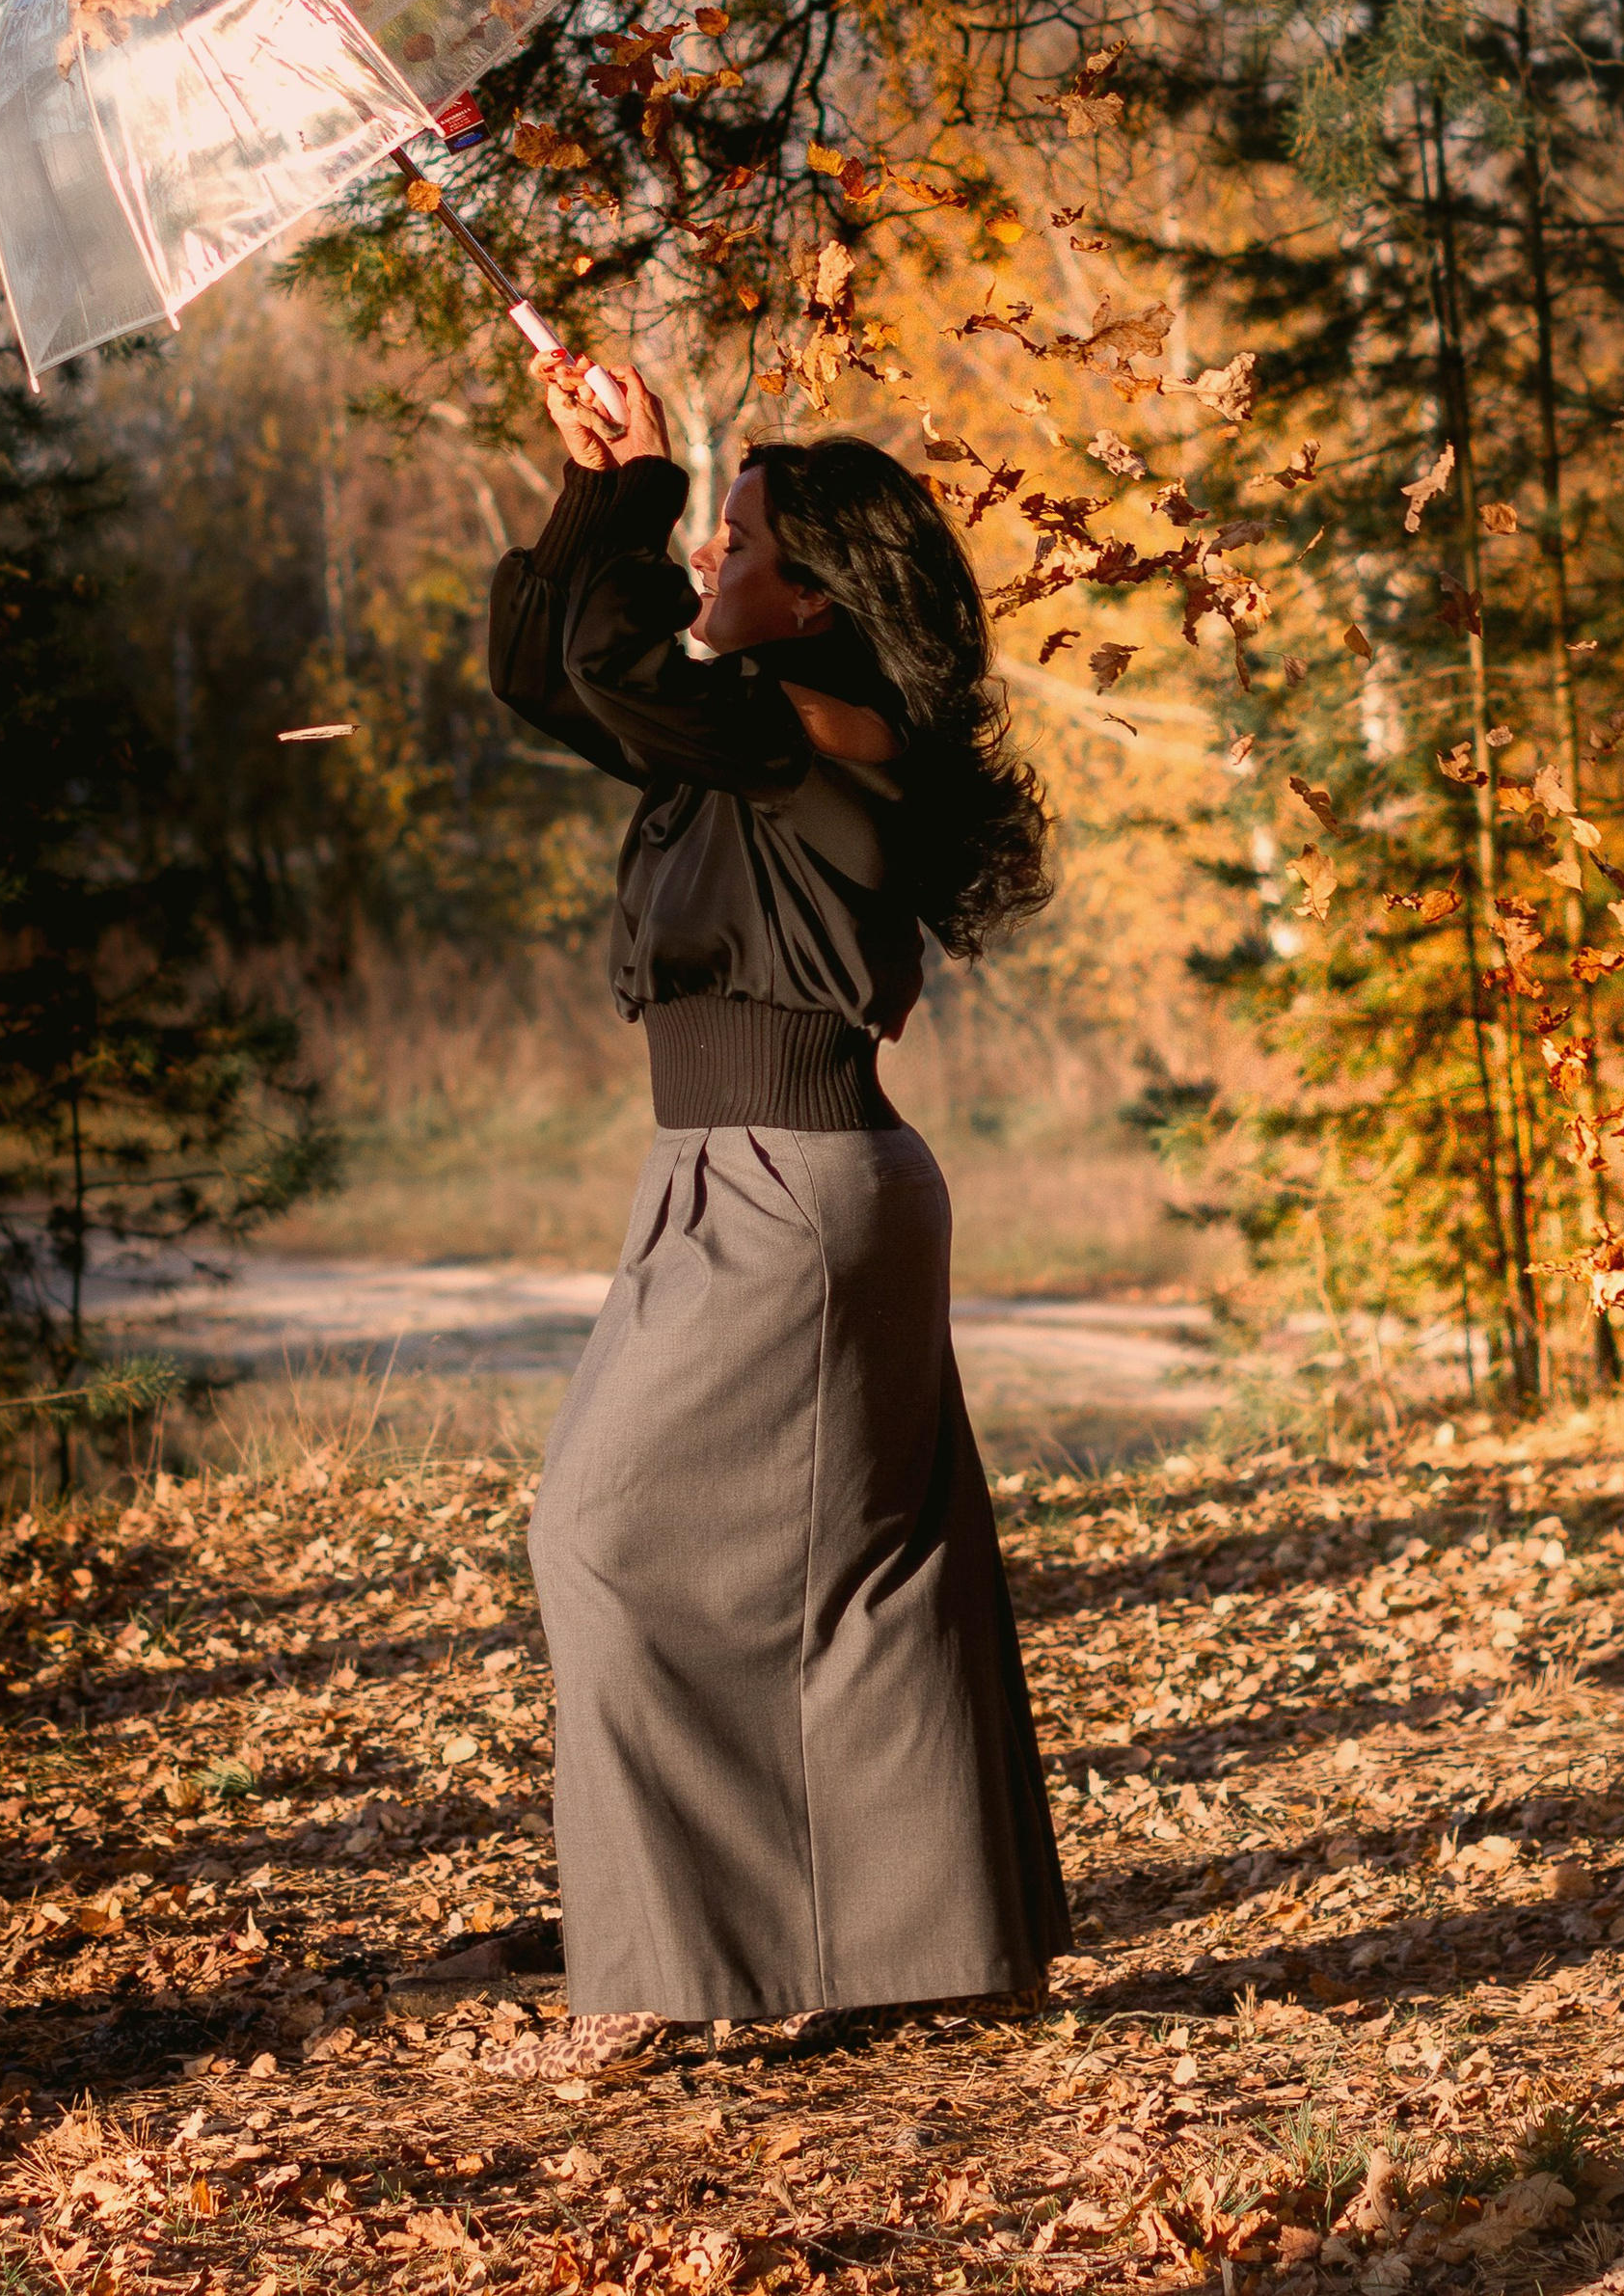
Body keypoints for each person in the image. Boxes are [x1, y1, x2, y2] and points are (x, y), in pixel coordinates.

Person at [476, 355, 1070, 2073]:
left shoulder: (828, 735)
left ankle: (681, 1956)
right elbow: (547, 670)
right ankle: (936, 1943)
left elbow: (609, 658)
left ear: (812, 589)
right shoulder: (742, 746)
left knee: (599, 1532)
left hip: (792, 1187)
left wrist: (652, 473)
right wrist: (605, 486)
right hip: (736, 1183)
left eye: (729, 541)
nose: (703, 568)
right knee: (869, 1584)